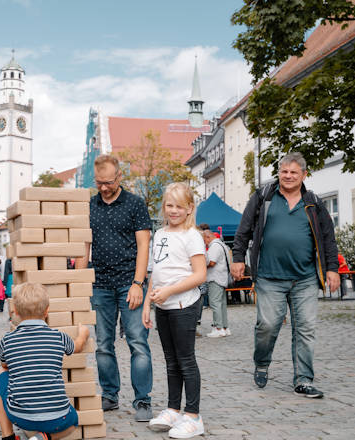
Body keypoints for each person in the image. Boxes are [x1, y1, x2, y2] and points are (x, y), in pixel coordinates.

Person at [231, 152, 339, 398]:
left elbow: (328, 239)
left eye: (293, 172)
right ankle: (261, 361)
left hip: (305, 278)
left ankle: (303, 379)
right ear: (279, 173)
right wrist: (238, 258)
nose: (288, 176)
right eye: (284, 171)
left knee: (306, 328)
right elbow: (243, 230)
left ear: (304, 174)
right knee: (267, 325)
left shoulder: (314, 202)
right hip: (270, 277)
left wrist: (332, 268)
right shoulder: (263, 197)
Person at [75, 154, 153, 421]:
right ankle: (110, 395)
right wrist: (79, 283)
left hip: (129, 283)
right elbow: (84, 247)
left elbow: (144, 245)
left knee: (137, 343)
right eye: (99, 182)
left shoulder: (135, 204)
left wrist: (138, 283)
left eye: (108, 182)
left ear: (119, 177)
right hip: (100, 284)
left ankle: (142, 400)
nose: (104, 187)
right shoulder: (89, 206)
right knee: (103, 344)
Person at [143, 182, 207, 438]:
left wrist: (170, 291)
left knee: (186, 361)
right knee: (171, 362)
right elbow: (155, 273)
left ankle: (193, 415)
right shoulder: (159, 234)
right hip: (163, 307)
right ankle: (173, 409)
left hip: (183, 305)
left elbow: (200, 275)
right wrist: (148, 303)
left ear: (189, 208)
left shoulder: (191, 235)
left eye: (179, 206)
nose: (173, 211)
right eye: (169, 205)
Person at [0, 283, 89, 440]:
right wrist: (83, 334)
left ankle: (8, 436)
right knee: (73, 422)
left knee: (0, 374)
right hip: (59, 419)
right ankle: (44, 437)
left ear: (15, 311)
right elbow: (77, 347)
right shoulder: (59, 337)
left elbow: (5, 365)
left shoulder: (8, 340)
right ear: (47, 311)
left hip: (20, 417)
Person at [201, 227, 231, 338]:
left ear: (208, 237)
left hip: (215, 278)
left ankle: (218, 328)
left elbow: (212, 262)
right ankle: (225, 327)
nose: (205, 243)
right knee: (222, 304)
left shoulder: (214, 246)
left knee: (215, 304)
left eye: (204, 240)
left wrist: (202, 265)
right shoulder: (223, 245)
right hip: (222, 277)